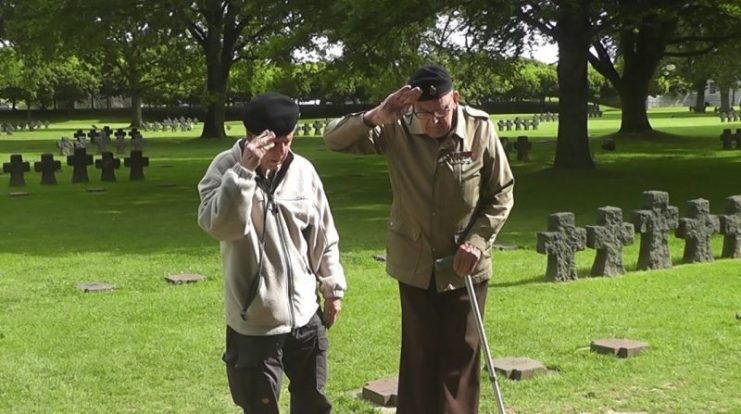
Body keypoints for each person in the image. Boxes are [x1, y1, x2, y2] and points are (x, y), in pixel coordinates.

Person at [323, 64, 514, 414]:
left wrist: (478, 240)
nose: (433, 121)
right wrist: (376, 115)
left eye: (440, 111)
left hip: (465, 266)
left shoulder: (480, 128)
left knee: (461, 359)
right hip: (415, 263)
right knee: (419, 359)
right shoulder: (396, 127)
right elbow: (333, 139)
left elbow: (501, 191)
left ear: (454, 99)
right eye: (424, 113)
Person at [198, 92, 347, 414]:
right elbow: (221, 227)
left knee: (313, 403)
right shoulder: (224, 169)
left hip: (306, 314)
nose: (281, 151)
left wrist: (333, 289)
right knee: (259, 406)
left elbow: (324, 234)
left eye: (288, 141)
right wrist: (244, 173)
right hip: (256, 321)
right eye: (273, 143)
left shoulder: (304, 171)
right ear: (252, 137)